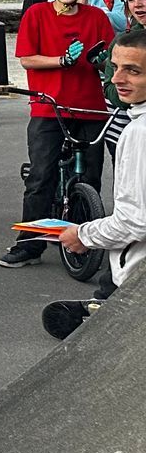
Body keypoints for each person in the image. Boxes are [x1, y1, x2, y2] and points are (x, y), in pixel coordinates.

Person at [2, 0, 115, 269]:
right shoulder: (37, 13)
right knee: (41, 176)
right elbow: (27, 58)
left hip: (90, 108)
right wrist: (61, 61)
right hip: (48, 107)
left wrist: (101, 62)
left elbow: (109, 60)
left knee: (91, 177)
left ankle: (82, 240)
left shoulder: (96, 17)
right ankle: (29, 245)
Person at [61, 26, 146, 289]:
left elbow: (134, 221)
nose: (116, 78)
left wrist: (83, 235)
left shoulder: (139, 132)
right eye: (114, 67)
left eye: (133, 71)